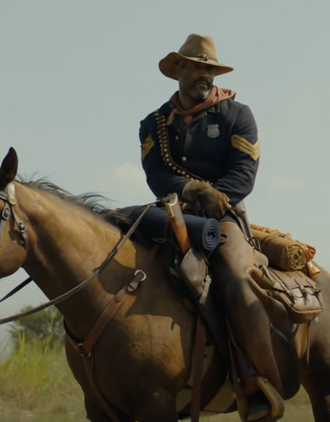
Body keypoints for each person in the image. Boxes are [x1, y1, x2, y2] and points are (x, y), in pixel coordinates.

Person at [138, 34, 279, 421]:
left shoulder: (237, 114)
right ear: (178, 70)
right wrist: (191, 190)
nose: (204, 74)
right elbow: (156, 174)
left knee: (235, 275)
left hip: (224, 216)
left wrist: (215, 197)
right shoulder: (153, 124)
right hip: (171, 211)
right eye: (196, 66)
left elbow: (244, 174)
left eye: (209, 69)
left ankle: (256, 379)